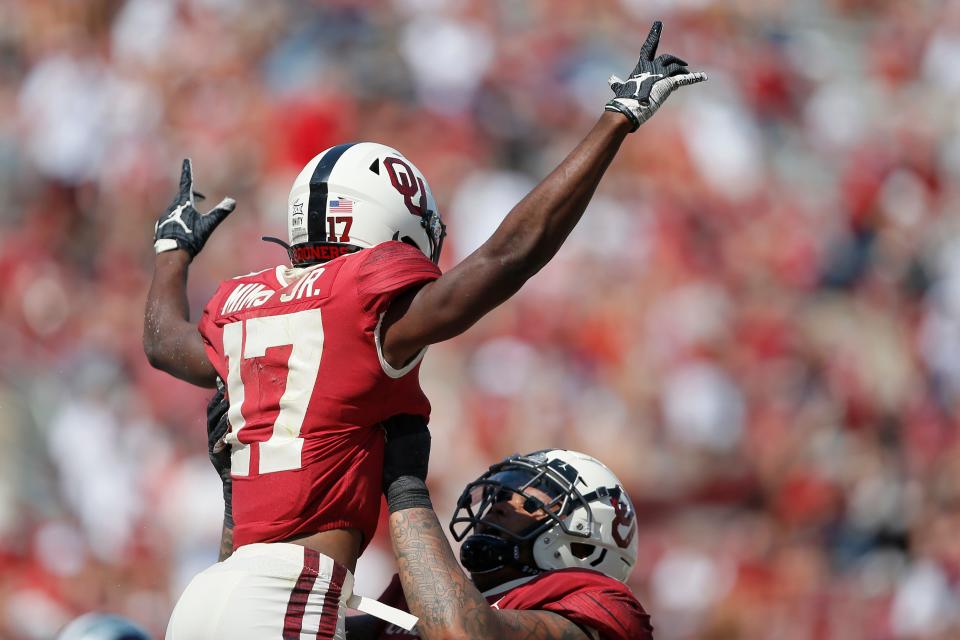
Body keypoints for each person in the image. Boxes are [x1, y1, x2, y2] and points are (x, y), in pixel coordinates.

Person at [145, 21, 702, 639]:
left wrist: (171, 253)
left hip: (208, 599)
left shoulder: (248, 304)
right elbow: (504, 259)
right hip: (286, 597)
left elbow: (163, 342)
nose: (495, 513)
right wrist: (616, 120)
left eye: (527, 504)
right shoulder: (363, 305)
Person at [345, 418, 652, 640]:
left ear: (585, 544)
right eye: (501, 494)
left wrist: (406, 490)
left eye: (530, 499)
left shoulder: (602, 607)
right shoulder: (417, 598)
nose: (500, 503)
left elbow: (460, 634)